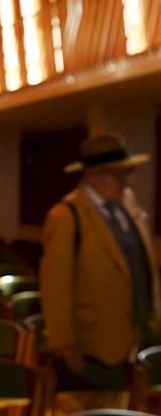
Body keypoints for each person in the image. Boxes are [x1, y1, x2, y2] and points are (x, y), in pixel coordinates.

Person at [40, 133, 161, 377]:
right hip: (94, 345)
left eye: (127, 173)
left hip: (138, 336)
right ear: (93, 176)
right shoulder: (66, 215)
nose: (125, 182)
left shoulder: (128, 203)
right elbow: (56, 287)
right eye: (117, 175)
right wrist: (66, 344)